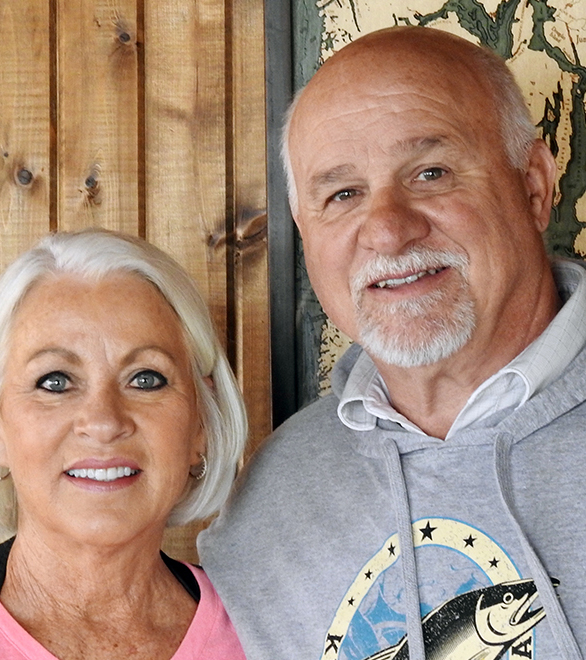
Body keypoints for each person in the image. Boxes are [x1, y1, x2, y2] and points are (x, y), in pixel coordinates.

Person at [198, 26, 586, 660]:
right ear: (305, 232)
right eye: (342, 194)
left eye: (431, 173)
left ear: (534, 186)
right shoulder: (269, 505)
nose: (386, 229)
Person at [0, 228, 248, 660]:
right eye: (55, 382)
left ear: (200, 423)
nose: (103, 423)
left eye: (146, 379)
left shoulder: (266, 627)